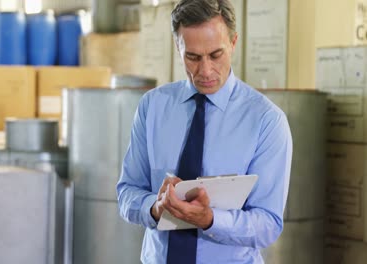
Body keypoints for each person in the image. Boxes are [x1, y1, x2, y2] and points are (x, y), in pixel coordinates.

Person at [116, 0, 292, 263]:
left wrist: (210, 220)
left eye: (216, 55)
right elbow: (128, 192)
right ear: (178, 47)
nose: (206, 70)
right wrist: (155, 207)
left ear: (233, 43)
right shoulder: (152, 107)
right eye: (193, 57)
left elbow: (268, 224)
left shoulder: (267, 121)